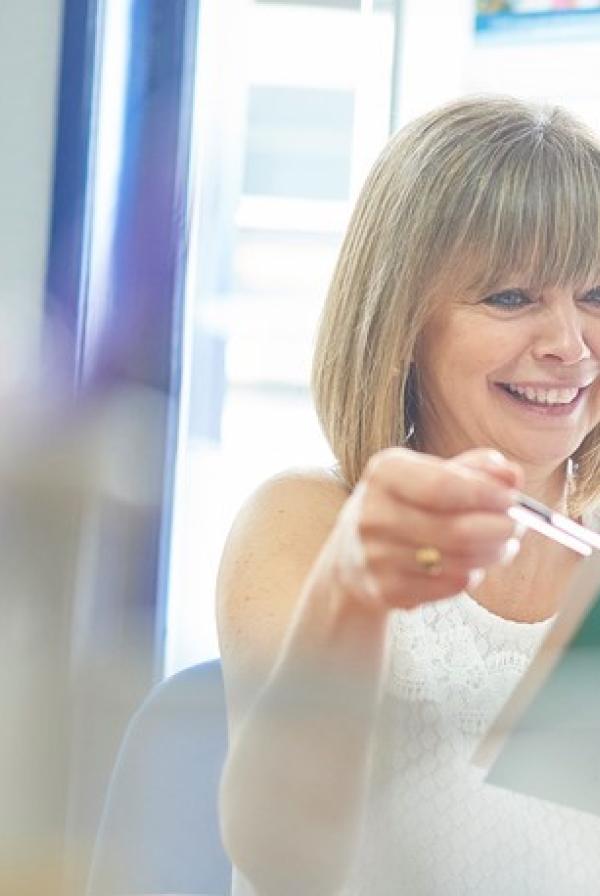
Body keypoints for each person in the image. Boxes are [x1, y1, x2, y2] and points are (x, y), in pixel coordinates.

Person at [216, 95, 600, 895]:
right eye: (511, 297)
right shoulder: (304, 524)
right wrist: (352, 593)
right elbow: (284, 855)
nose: (569, 345)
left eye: (595, 297)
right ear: (403, 323)